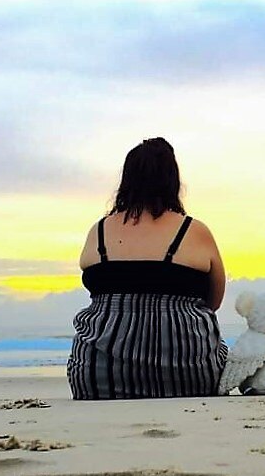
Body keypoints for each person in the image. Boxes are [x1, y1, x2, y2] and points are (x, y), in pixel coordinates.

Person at [67, 137, 228, 399]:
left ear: (126, 181)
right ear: (173, 181)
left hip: (99, 374)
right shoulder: (194, 231)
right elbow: (214, 301)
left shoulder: (99, 231)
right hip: (187, 375)